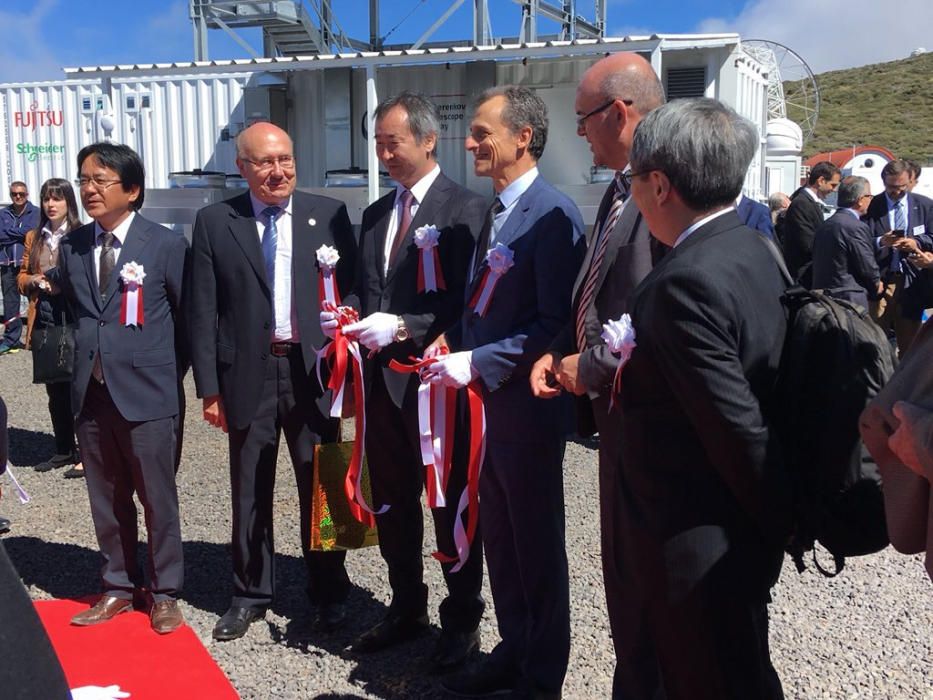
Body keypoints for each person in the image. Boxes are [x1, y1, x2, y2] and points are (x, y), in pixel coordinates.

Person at [620, 97, 791, 699]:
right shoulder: (754, 247)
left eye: (632, 179)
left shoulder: (681, 282)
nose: (633, 194)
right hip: (735, 535)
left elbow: (735, 430)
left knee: (710, 677)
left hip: (699, 542)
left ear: (660, 185)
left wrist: (775, 525)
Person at [430, 85, 584, 699]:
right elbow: (486, 306)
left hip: (527, 410)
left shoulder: (552, 214)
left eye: (482, 132)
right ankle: (514, 649)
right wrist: (455, 342)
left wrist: (480, 359)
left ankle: (541, 677)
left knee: (536, 545)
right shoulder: (496, 210)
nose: (470, 143)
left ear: (523, 137)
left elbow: (555, 324)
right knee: (501, 536)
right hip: (490, 408)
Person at [331, 92, 486, 671]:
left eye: (392, 142)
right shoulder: (375, 215)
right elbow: (363, 287)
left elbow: (469, 301)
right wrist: (343, 313)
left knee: (450, 504)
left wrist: (406, 325)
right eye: (378, 144)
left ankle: (462, 618)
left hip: (436, 388)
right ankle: (406, 606)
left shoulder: (468, 209)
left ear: (427, 140)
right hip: (380, 390)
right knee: (394, 502)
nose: (384, 153)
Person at [529, 50, 665, 698]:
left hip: (656, 433)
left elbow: (673, 309)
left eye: (583, 119)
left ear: (619, 111)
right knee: (628, 598)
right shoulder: (618, 189)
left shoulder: (672, 187)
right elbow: (596, 295)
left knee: (657, 604)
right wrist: (556, 351)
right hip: (615, 423)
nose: (578, 132)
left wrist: (595, 365)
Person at [188, 122, 357, 641]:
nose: (277, 171)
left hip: (315, 372)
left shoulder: (328, 215)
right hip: (248, 374)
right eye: (264, 162)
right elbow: (202, 309)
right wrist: (209, 388)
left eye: (285, 158)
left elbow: (352, 295)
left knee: (327, 483)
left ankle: (331, 591)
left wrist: (351, 374)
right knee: (249, 488)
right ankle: (249, 594)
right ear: (242, 167)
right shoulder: (216, 222)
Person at [48, 142, 188, 634]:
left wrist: (166, 376)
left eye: (101, 180)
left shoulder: (166, 245)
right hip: (91, 394)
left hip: (149, 394)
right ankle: (118, 587)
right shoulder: (73, 247)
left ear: (131, 189)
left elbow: (187, 322)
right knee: (105, 498)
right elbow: (78, 314)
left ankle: (166, 591)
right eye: (84, 179)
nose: (88, 189)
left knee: (157, 497)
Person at [16, 178, 84, 478]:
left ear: (69, 201)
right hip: (43, 316)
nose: (50, 204)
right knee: (55, 388)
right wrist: (32, 281)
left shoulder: (82, 234)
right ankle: (63, 449)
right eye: (46, 199)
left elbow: (90, 279)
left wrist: (62, 284)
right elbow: (21, 276)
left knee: (80, 389)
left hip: (74, 316)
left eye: (56, 198)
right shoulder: (35, 237)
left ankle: (88, 453)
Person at [863, 159, 933, 354]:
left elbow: (932, 237)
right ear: (884, 182)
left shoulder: (925, 206)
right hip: (880, 281)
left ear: (910, 181)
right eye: (891, 187)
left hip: (911, 282)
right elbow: (860, 241)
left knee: (910, 346)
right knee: (875, 342)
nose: (896, 192)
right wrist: (881, 241)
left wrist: (916, 243)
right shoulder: (872, 206)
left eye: (901, 187)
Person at [811, 175, 883, 309]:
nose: (871, 200)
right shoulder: (856, 227)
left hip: (823, 297)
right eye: (869, 196)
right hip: (849, 298)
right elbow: (865, 264)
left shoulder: (826, 224)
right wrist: (876, 283)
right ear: (860, 200)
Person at [784, 160, 841, 281]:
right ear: (821, 181)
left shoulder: (807, 202)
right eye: (833, 185)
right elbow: (808, 244)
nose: (834, 190)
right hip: (803, 276)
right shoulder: (802, 204)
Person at [0, 182, 40, 354]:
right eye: (14, 194)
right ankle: (11, 339)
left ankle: (36, 337)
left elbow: (33, 233)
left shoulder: (36, 212)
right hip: (7, 263)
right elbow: (1, 234)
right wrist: (22, 233)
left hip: (29, 264)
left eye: (21, 194)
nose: (18, 197)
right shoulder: (3, 214)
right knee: (10, 303)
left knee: (36, 301)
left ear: (27, 194)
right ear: (10, 195)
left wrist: (12, 232)